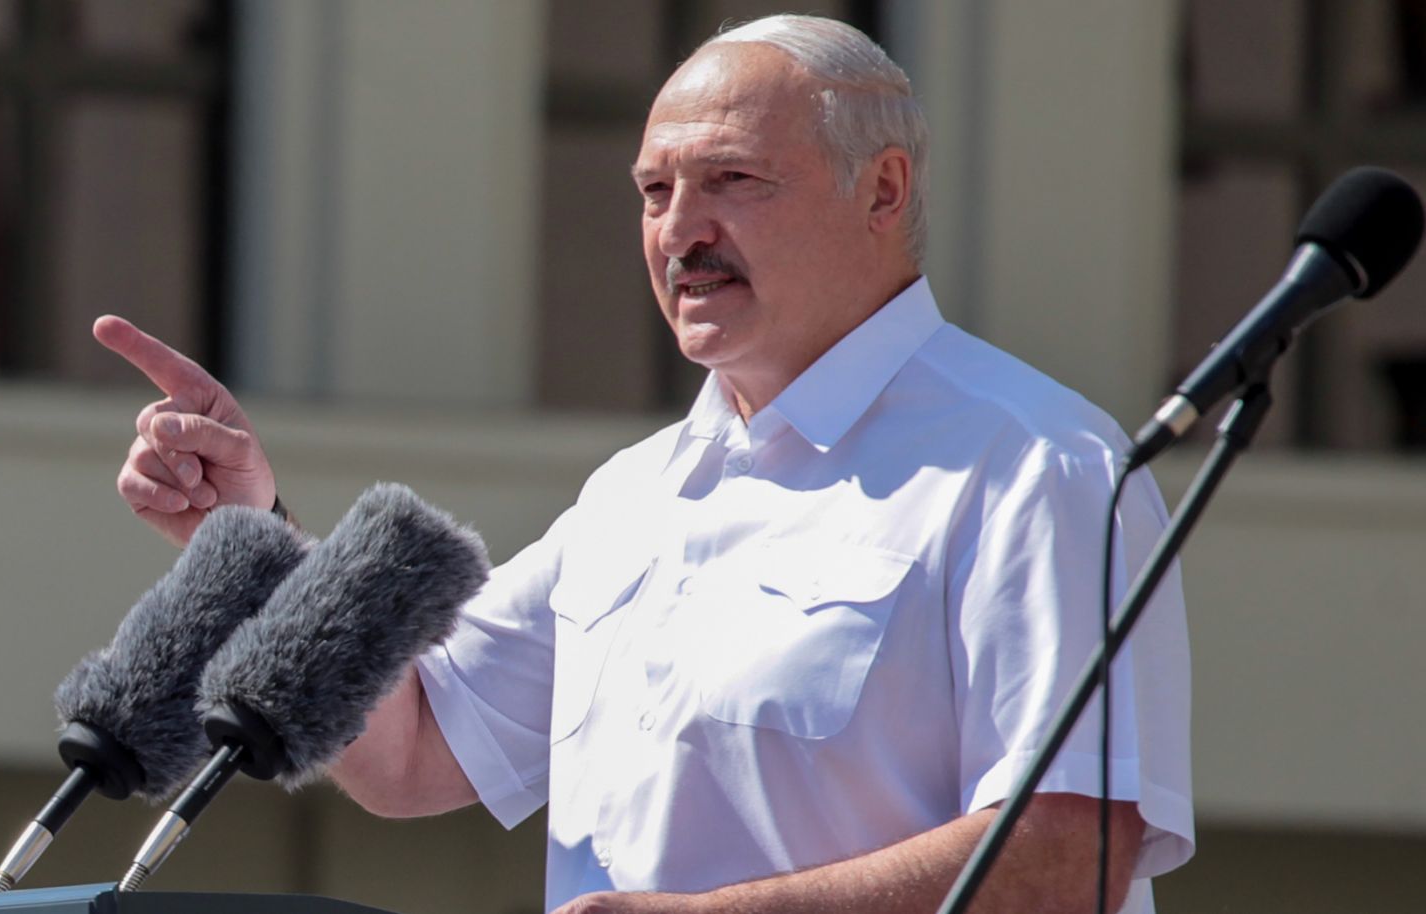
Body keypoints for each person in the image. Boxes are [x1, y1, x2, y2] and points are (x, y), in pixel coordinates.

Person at [94, 14, 1191, 914]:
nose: (681, 231)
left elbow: (1065, 859)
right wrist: (257, 530)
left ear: (885, 190)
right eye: (655, 191)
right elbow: (413, 751)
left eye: (733, 179)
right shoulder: (636, 494)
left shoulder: (1035, 465)